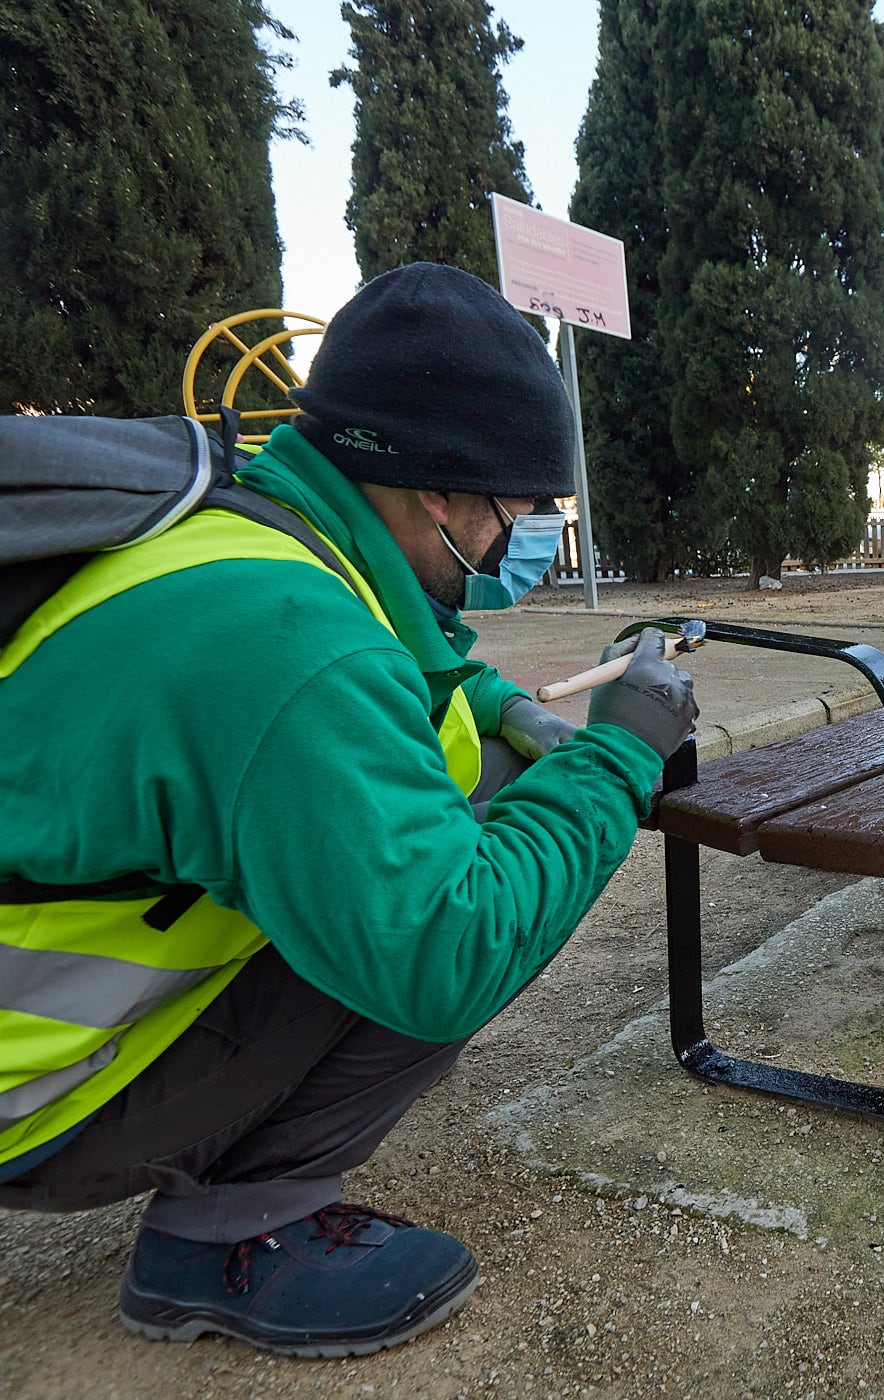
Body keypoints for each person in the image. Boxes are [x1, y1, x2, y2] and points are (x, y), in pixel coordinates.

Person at [0, 263, 699, 1355]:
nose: (534, 536)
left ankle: (227, 1185)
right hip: (31, 1087)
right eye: (522, 509)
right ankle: (230, 1233)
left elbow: (385, 656)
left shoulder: (254, 531)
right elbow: (449, 943)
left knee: (477, 771)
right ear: (436, 492)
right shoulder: (294, 653)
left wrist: (507, 701)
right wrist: (617, 754)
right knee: (477, 873)